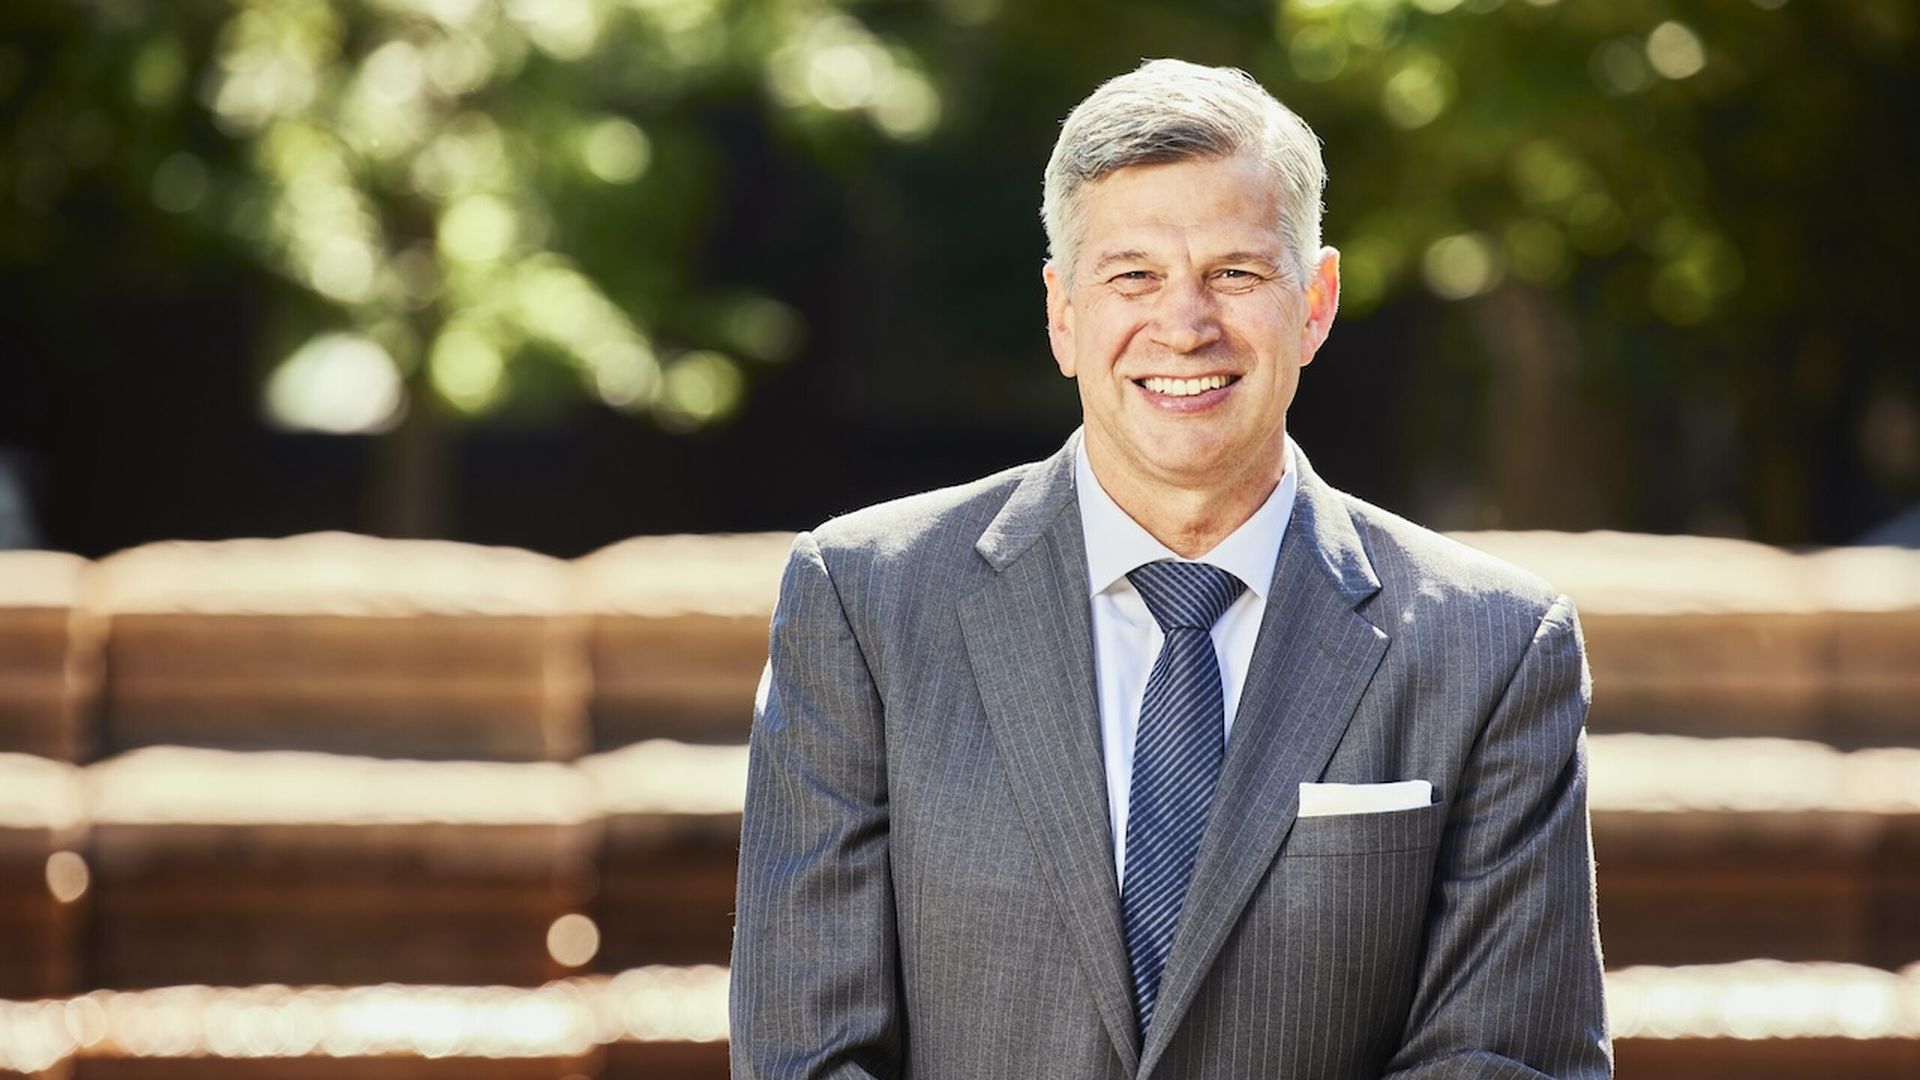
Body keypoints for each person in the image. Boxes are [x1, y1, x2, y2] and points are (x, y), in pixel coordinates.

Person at [731, 58, 1610, 1079]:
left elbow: (1508, 1057)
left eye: (1234, 272)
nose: (1184, 323)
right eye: (1133, 275)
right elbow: (807, 1051)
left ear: (1315, 302)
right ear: (1064, 314)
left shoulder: (1495, 645)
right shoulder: (864, 604)